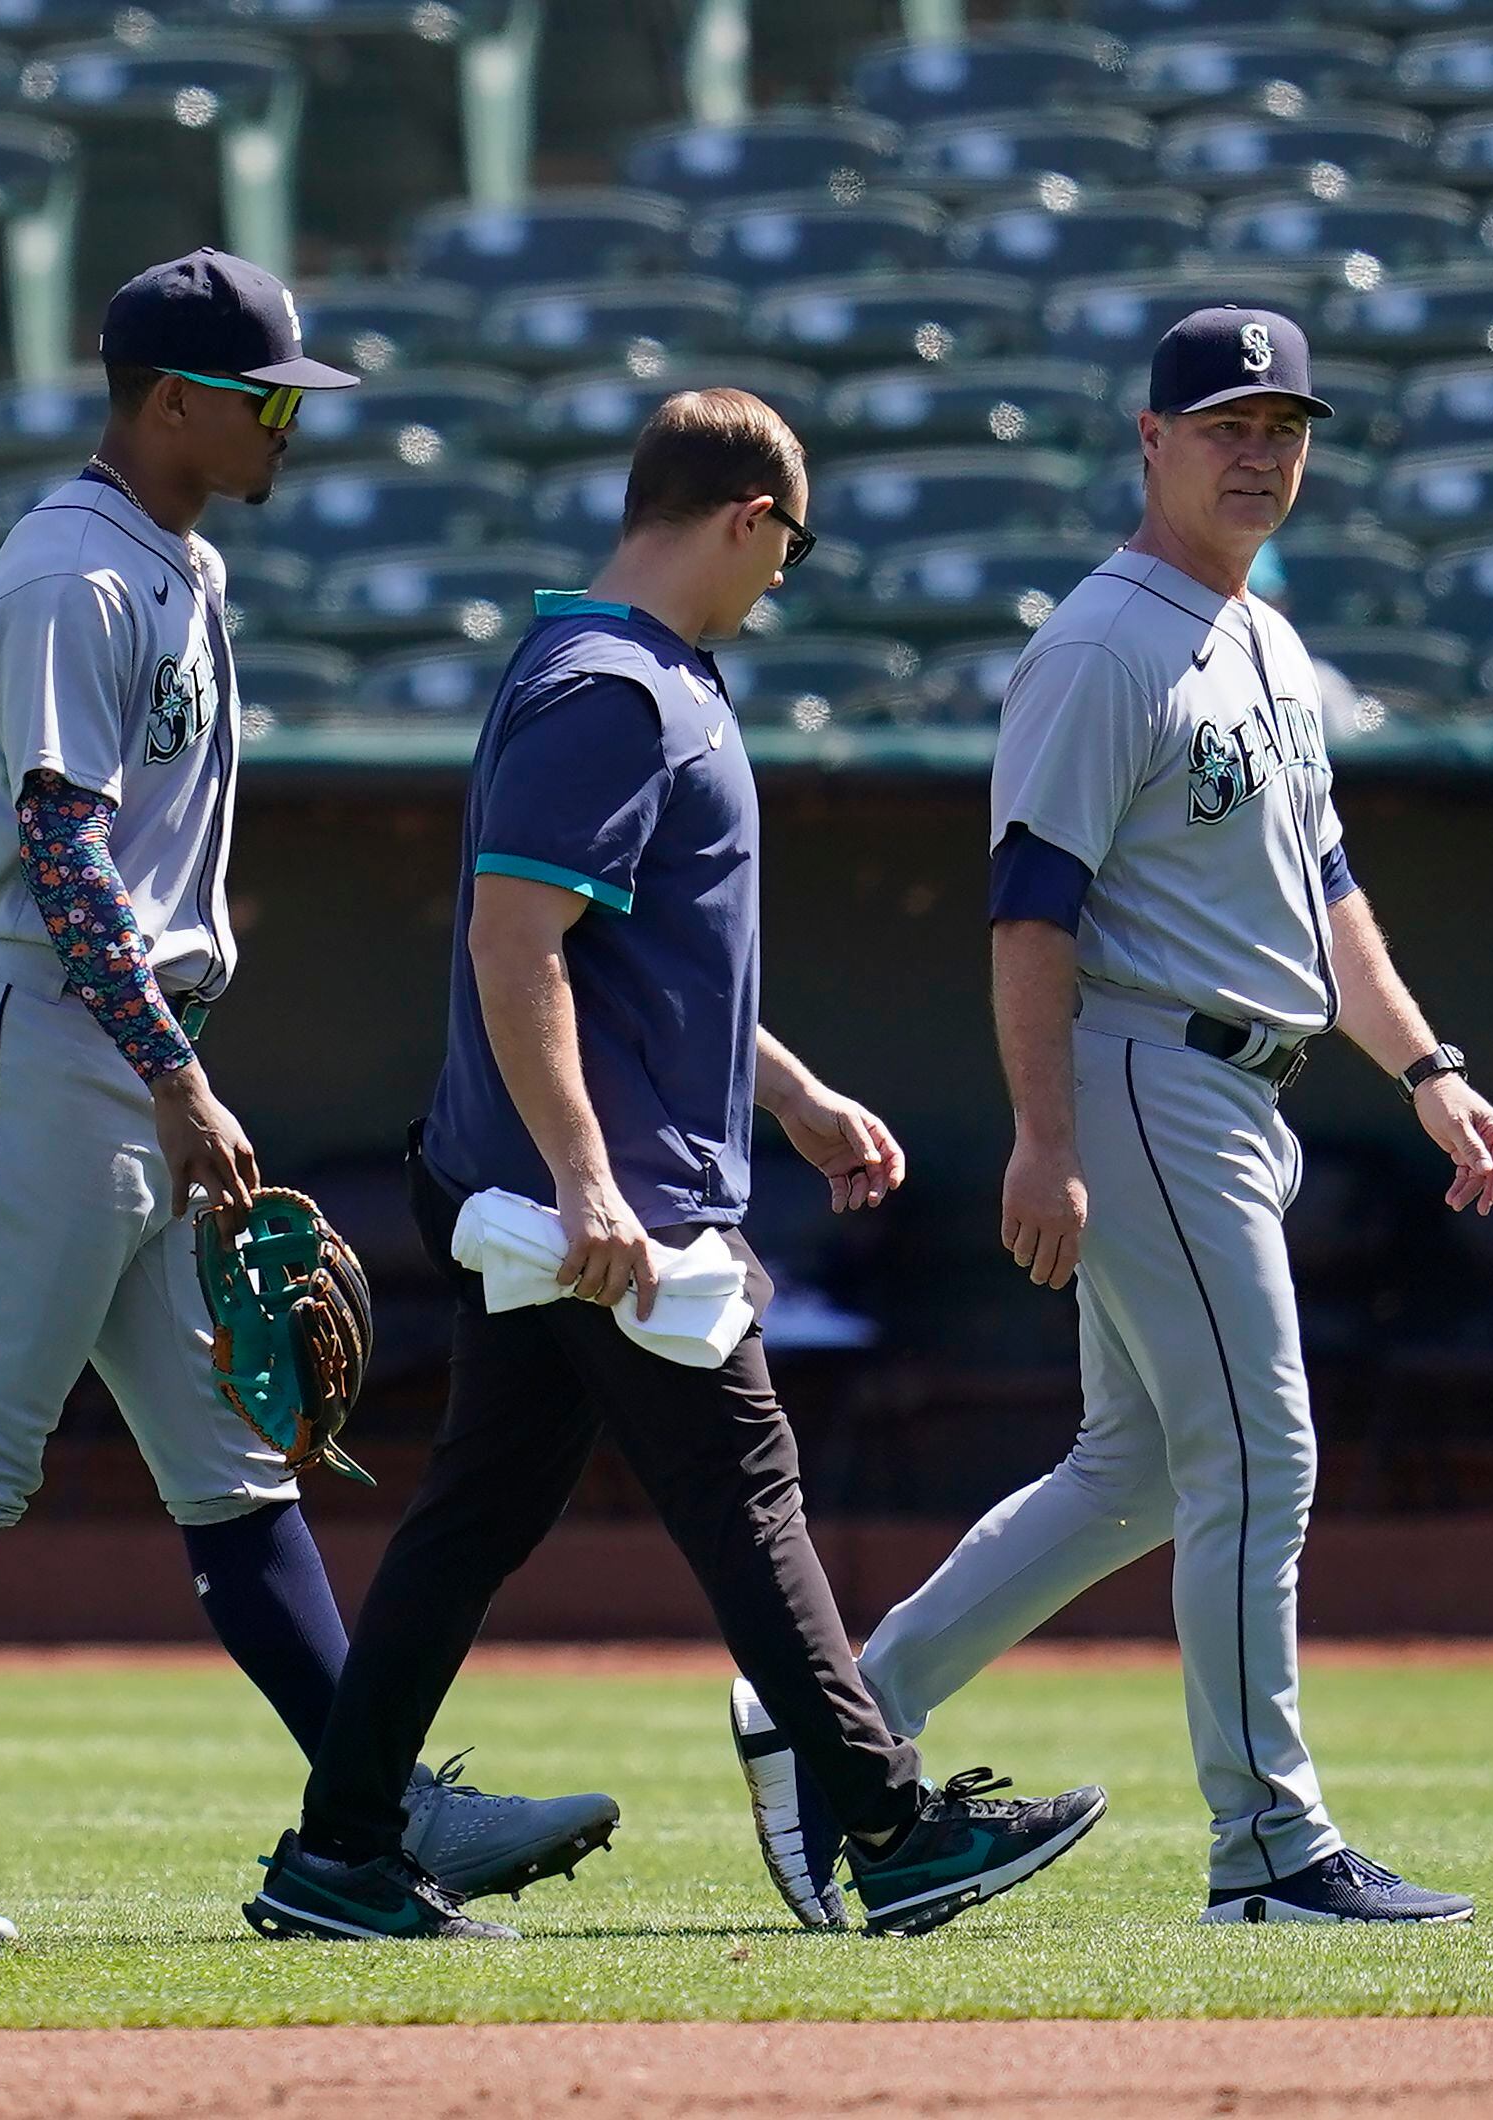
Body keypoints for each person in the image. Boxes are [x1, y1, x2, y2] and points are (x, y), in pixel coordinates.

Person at [0, 251, 612, 1944]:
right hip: (47, 1041)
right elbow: (61, 849)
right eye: (266, 392)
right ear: (168, 401)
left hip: (120, 1051)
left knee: (234, 1474)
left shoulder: (175, 562)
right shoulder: (76, 566)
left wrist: (169, 1075)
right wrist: (180, 1077)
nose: (290, 418)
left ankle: (376, 1809)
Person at [251, 387, 1107, 1944]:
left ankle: (341, 1852)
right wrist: (586, 1181)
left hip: (587, 1183)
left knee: (483, 1513)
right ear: (746, 518)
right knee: (744, 1486)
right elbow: (519, 950)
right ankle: (894, 1827)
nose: (785, 577)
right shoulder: (611, 688)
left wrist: (788, 1095)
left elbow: (648, 963)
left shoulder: (640, 675)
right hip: (597, 1204)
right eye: (790, 546)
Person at [730, 307, 1493, 1931]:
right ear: (1149, 441)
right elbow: (1031, 911)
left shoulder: (1269, 641)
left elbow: (1330, 894)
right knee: (1262, 1454)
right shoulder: (1102, 644)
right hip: (1151, 1076)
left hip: (1241, 1083)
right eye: (1225, 421)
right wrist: (1045, 1138)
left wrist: (1429, 1068)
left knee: (1138, 1470)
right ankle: (1270, 1848)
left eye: (1283, 424)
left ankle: (830, 1717)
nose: (1258, 450)